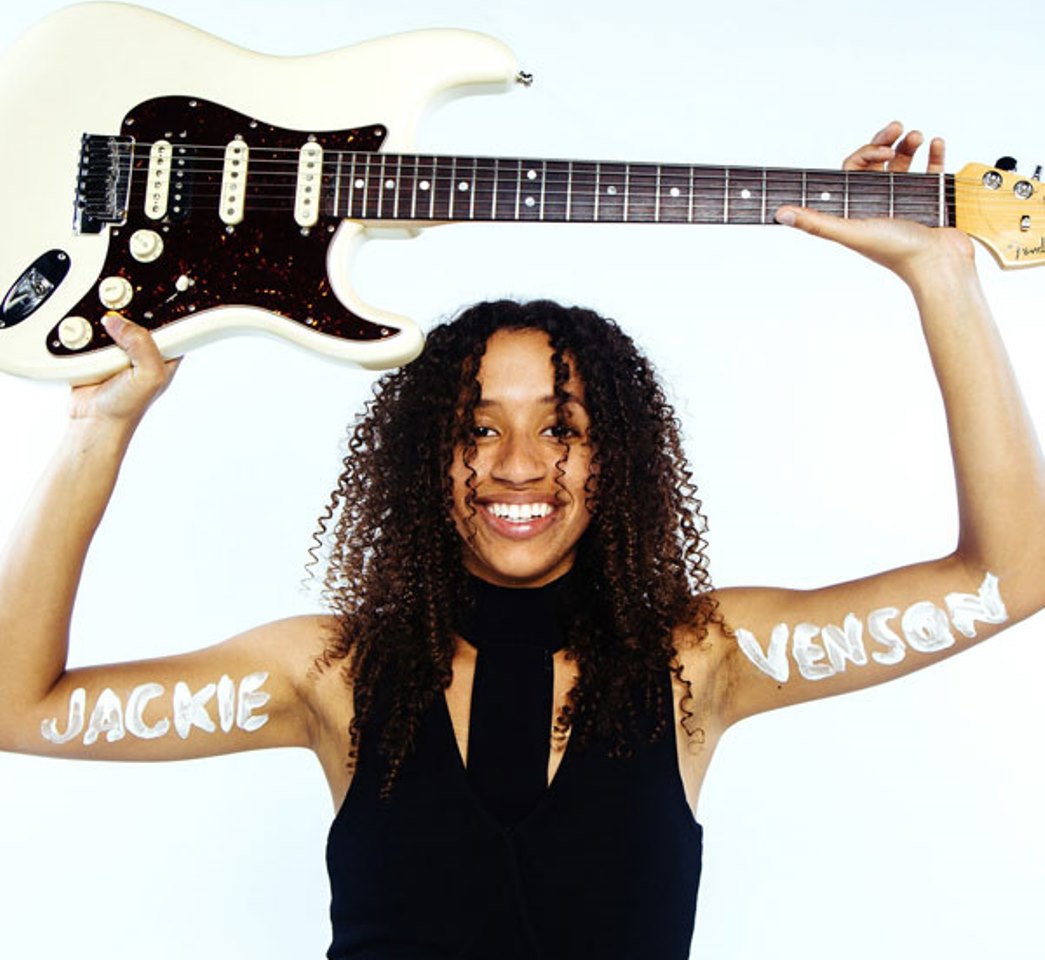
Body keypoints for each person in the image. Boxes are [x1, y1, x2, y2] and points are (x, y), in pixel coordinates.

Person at [0, 123, 1041, 959]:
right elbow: (17, 707)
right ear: (427, 457)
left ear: (615, 459)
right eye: (477, 428)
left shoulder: (700, 659)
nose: (517, 466)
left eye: (561, 428)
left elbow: (1014, 574)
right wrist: (99, 427)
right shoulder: (330, 672)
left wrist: (942, 277)